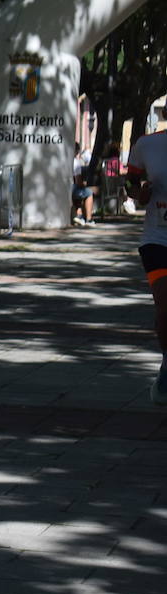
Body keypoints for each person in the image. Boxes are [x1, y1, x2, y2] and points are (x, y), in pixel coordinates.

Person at [126, 132, 167, 404]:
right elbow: (130, 182)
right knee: (165, 305)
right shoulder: (147, 145)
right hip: (158, 239)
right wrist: (137, 192)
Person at [72, 146, 97, 226]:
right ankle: (88, 219)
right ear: (77, 152)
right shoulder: (76, 162)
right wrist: (85, 185)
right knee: (88, 192)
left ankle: (79, 215)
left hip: (66, 187)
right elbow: (78, 181)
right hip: (72, 189)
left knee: (80, 192)